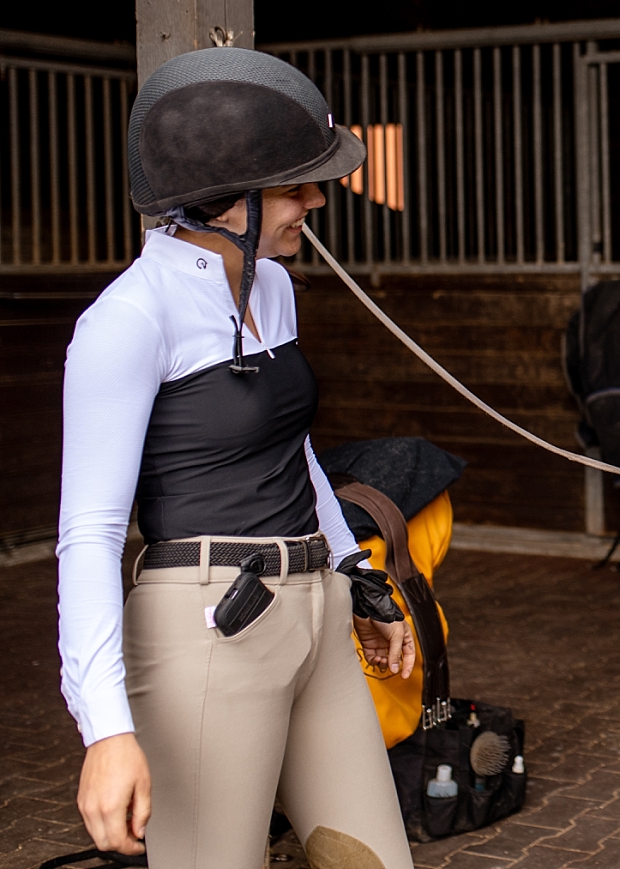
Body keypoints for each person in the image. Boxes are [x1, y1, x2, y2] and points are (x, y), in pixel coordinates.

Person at [57, 46, 418, 869]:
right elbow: (88, 533)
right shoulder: (127, 321)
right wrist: (106, 726)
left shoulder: (274, 286)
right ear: (224, 200)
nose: (316, 202)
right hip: (209, 625)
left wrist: (361, 578)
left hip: (316, 607)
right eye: (295, 187)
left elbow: (296, 456)